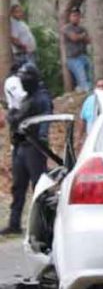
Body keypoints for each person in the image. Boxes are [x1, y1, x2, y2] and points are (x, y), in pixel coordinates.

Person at [2, 65, 52, 236]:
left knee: (39, 187)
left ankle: (45, 225)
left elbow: (45, 119)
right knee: (18, 187)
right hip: (21, 146)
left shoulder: (41, 97)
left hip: (34, 146)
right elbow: (14, 119)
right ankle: (14, 223)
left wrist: (42, 139)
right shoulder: (27, 98)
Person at [75, 79, 103, 152]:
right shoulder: (89, 101)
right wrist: (79, 139)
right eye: (98, 86)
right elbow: (82, 120)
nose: (101, 88)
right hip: (91, 138)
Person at [62, 7, 92, 92]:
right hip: (73, 59)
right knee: (83, 80)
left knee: (90, 77)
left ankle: (83, 92)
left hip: (84, 56)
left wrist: (81, 36)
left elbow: (89, 40)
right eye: (74, 16)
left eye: (78, 16)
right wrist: (82, 36)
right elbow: (73, 38)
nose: (76, 18)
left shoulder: (82, 28)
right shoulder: (66, 28)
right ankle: (86, 94)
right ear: (70, 17)